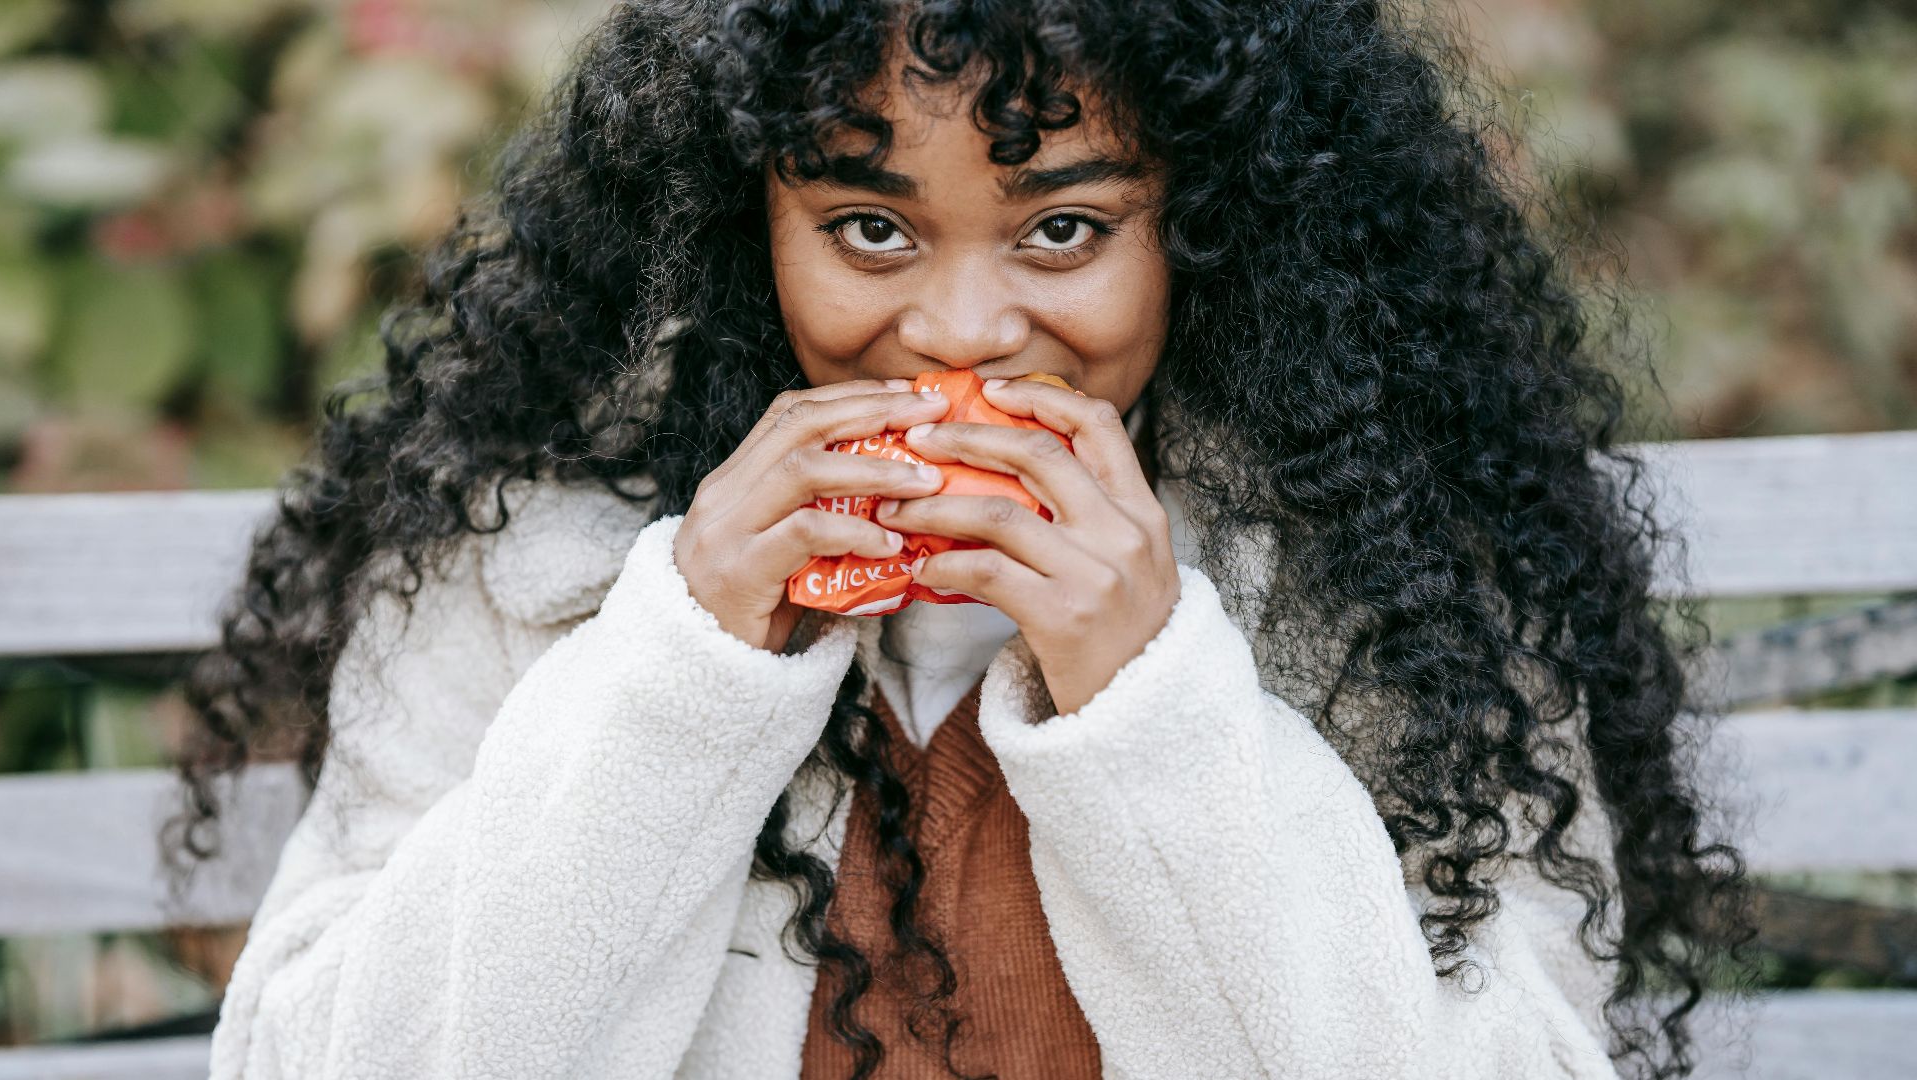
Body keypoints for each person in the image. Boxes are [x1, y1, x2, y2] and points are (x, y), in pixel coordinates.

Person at [170, 1, 1759, 1077]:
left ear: (1210, 230)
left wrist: (1156, 707)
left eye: (1064, 228)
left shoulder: (1399, 585)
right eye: (870, 229)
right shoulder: (530, 557)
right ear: (752, 225)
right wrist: (679, 670)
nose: (959, 332)